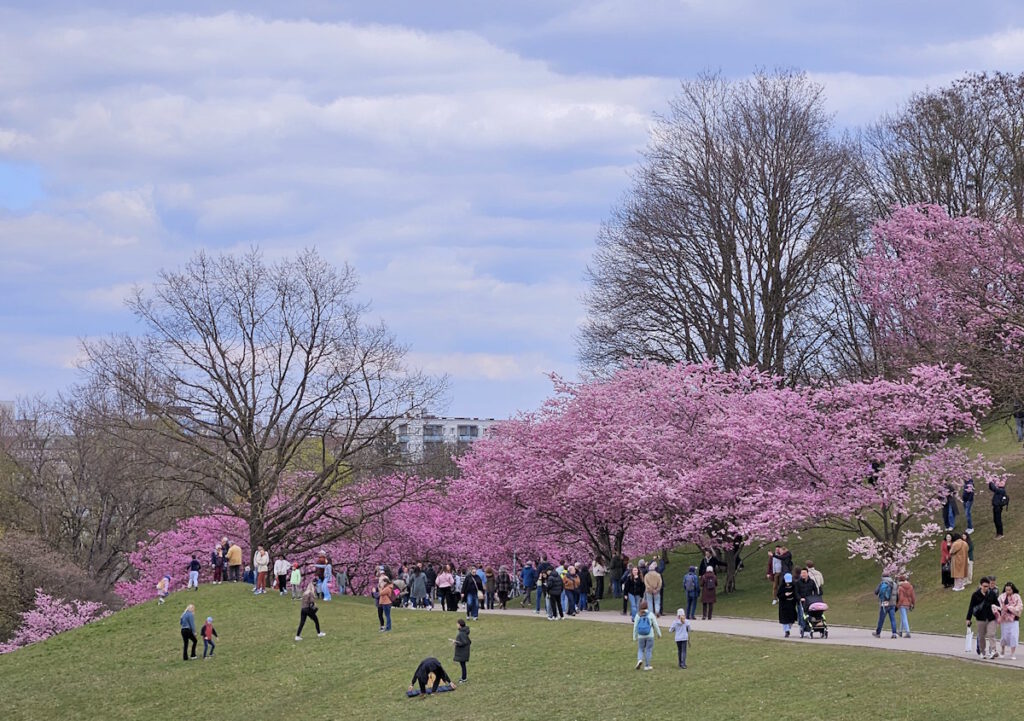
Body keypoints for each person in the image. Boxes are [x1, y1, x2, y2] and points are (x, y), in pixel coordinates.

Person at [966, 576, 999, 658]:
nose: (986, 588)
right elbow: (971, 607)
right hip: (981, 618)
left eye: (987, 586)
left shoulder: (992, 594)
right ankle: (982, 651)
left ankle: (993, 650)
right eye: (984, 586)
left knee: (991, 634)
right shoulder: (975, 595)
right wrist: (968, 618)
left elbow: (998, 604)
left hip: (991, 617)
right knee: (981, 636)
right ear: (980, 585)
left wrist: (998, 611)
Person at [631, 599, 661, 670]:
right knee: (648, 649)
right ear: (647, 606)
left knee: (640, 649)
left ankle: (640, 660)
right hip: (650, 635)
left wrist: (634, 636)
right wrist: (659, 633)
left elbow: (635, 627)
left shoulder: (638, 615)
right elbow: (655, 625)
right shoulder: (651, 614)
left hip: (641, 636)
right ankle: (647, 665)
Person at [996, 581, 1022, 660]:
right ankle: (1002, 650)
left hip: (1014, 619)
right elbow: (998, 606)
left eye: (1009, 590)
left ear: (1012, 589)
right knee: (1004, 636)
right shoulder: (1001, 597)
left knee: (1014, 636)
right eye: (1007, 590)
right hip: (1004, 619)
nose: (1008, 592)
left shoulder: (1017, 596)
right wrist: (1002, 610)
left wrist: (1010, 608)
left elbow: (1020, 606)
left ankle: (1012, 653)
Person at [872, 573, 897, 639]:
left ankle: (878, 633)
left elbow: (876, 592)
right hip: (892, 604)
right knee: (893, 619)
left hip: (884, 604)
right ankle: (894, 633)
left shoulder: (882, 583)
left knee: (881, 619)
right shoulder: (894, 584)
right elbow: (897, 594)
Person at [793, 568, 819, 633]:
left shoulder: (812, 581)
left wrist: (814, 597)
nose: (803, 574)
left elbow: (815, 590)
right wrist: (800, 598)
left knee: (809, 615)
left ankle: (809, 627)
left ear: (807, 573)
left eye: (804, 573)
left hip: (809, 601)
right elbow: (796, 592)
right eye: (802, 573)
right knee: (802, 615)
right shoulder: (798, 582)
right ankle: (803, 628)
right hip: (801, 602)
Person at [776, 573, 798, 637]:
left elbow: (796, 593)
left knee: (791, 619)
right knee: (784, 619)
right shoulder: (782, 586)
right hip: (784, 605)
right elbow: (779, 595)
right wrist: (785, 595)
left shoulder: (794, 585)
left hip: (791, 604)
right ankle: (786, 631)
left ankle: (789, 627)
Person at [451, 618, 471, 683]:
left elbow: (463, 642)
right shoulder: (463, 632)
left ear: (460, 625)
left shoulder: (461, 633)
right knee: (463, 665)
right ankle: (463, 677)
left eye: (457, 624)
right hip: (464, 652)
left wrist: (455, 642)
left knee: (463, 665)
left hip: (463, 653)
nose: (456, 625)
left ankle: (464, 678)